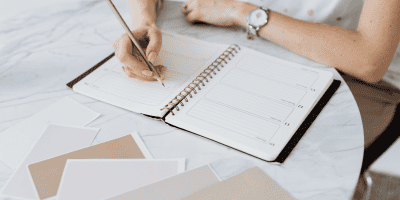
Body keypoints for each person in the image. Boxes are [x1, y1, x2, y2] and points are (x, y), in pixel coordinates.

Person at [112, 0, 400, 147]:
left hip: (350, 74)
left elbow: (369, 59)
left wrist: (241, 12)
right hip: (230, 37)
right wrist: (143, 21)